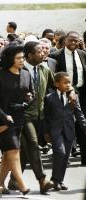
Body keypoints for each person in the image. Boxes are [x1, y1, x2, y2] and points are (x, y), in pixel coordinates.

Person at [7, 41, 54, 194]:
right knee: (33, 143)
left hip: (39, 115)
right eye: (39, 51)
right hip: (22, 115)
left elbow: (54, 86)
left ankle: (14, 180)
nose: (43, 53)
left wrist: (70, 91)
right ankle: (42, 180)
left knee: (26, 150)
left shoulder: (45, 69)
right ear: (29, 55)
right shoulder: (17, 70)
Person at [0, 44, 32, 195]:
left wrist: (28, 99)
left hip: (20, 117)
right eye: (19, 58)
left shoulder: (26, 73)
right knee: (14, 150)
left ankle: (0, 183)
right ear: (10, 59)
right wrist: (3, 116)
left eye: (23, 57)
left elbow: (30, 94)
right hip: (4, 119)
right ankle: (22, 185)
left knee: (9, 154)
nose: (22, 60)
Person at [44, 72, 86, 190]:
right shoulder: (49, 98)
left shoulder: (73, 97)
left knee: (65, 157)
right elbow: (46, 117)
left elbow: (79, 115)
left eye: (69, 82)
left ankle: (59, 181)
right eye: (65, 82)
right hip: (55, 131)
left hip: (69, 131)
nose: (68, 85)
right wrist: (46, 133)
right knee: (60, 153)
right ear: (56, 84)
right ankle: (54, 179)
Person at [49, 31, 86, 166]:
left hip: (81, 93)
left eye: (76, 41)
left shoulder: (83, 54)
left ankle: (84, 157)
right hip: (62, 95)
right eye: (71, 40)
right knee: (64, 125)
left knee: (82, 124)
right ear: (65, 41)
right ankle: (63, 157)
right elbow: (52, 78)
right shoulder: (55, 56)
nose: (73, 43)